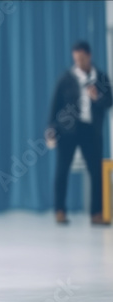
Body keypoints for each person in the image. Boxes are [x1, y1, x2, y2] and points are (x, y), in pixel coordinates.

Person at [46, 41, 112, 224]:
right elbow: (55, 105)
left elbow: (109, 102)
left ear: (89, 56)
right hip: (68, 131)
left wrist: (96, 97)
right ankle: (60, 211)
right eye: (76, 59)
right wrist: (51, 129)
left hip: (91, 130)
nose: (79, 63)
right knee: (62, 170)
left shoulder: (101, 78)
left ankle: (96, 214)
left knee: (95, 172)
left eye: (82, 59)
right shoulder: (66, 78)